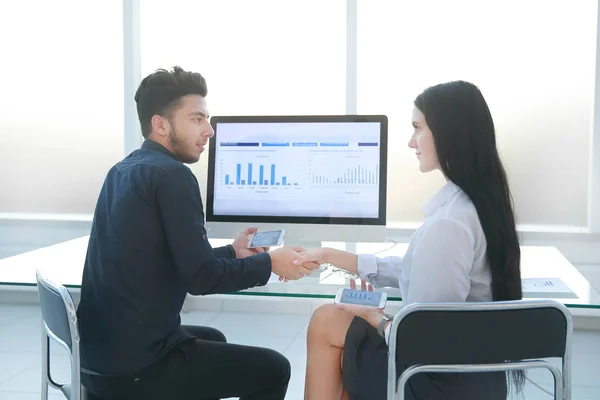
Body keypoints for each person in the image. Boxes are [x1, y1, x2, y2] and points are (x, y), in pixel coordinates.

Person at [76, 66, 319, 400]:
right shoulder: (173, 177)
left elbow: (170, 260)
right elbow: (201, 279)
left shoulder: (124, 170)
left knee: (213, 339)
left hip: (98, 359)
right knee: (274, 369)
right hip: (136, 369)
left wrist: (233, 252)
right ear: (160, 124)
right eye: (196, 119)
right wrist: (271, 264)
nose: (209, 130)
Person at [295, 81, 525, 400]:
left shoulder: (448, 225)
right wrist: (331, 254)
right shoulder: (480, 206)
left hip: (438, 382)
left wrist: (372, 316)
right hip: (478, 375)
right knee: (342, 344)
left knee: (327, 321)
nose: (410, 142)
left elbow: (422, 340)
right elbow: (415, 270)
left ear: (449, 134)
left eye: (417, 128)